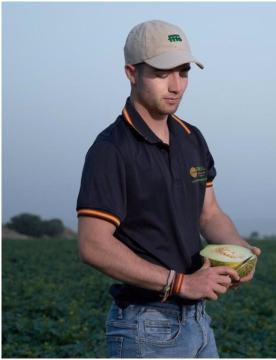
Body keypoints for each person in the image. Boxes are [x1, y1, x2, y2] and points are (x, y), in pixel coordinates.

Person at [76, 20, 261, 358]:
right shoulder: (111, 150)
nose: (176, 85)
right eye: (162, 74)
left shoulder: (192, 138)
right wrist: (182, 283)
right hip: (145, 327)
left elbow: (210, 213)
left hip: (199, 322)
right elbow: (93, 245)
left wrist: (240, 251)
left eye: (184, 72)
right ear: (132, 73)